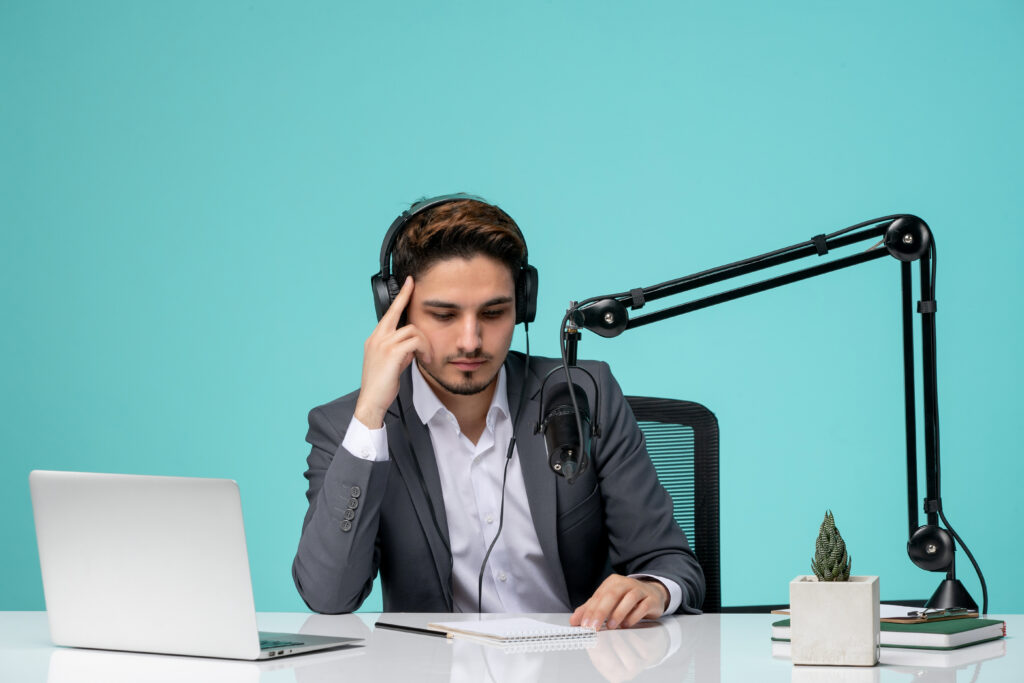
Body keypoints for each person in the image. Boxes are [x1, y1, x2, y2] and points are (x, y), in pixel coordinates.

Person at [292, 195, 705, 629]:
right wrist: (371, 414)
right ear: (394, 313)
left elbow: (671, 563)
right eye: (444, 315)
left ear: (522, 307)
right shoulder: (349, 427)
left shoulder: (584, 392)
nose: (471, 340)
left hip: (582, 666)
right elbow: (328, 595)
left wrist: (652, 588)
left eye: (493, 312)